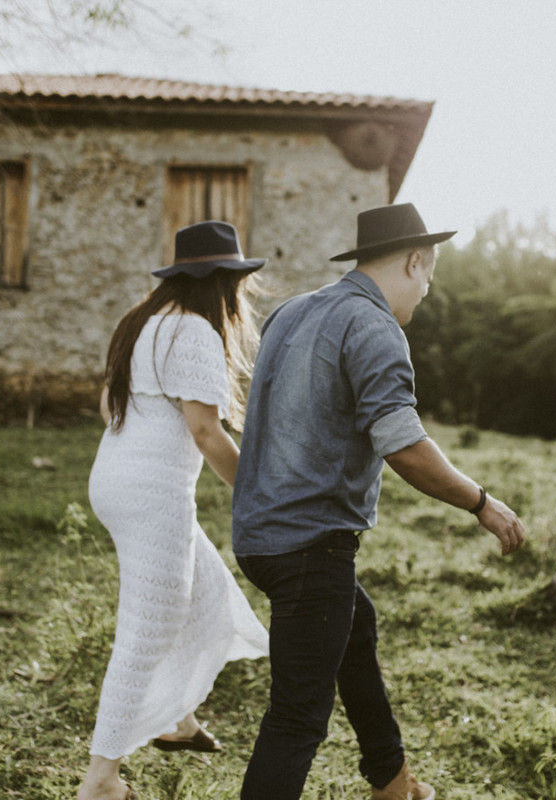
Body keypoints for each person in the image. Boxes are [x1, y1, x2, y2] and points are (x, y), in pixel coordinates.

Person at [231, 203, 526, 800]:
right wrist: (482, 504)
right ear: (415, 262)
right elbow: (404, 447)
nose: (423, 298)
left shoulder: (291, 313)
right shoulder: (372, 326)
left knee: (353, 629)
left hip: (259, 538)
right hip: (310, 546)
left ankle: (392, 781)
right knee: (295, 720)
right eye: (427, 281)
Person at [78, 220, 271, 800]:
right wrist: (258, 495)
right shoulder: (194, 333)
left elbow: (108, 400)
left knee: (207, 591)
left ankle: (176, 720)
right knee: (148, 628)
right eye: (235, 283)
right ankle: (101, 780)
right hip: (149, 494)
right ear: (221, 284)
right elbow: (208, 434)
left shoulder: (143, 323)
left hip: (115, 478)